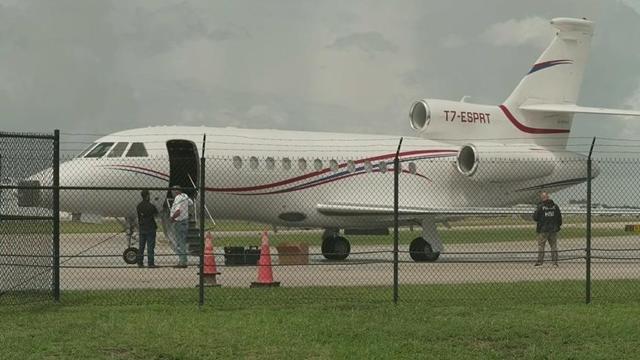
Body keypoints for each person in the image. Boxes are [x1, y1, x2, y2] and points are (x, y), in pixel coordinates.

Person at [532, 191, 562, 267]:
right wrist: (557, 226)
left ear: (542, 198)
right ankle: (554, 262)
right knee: (553, 245)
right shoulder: (555, 206)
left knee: (541, 246)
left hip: (543, 229)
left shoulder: (541, 207)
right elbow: (559, 218)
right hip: (553, 229)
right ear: (548, 197)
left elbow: (535, 217)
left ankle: (540, 261)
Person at [169, 185, 193, 268]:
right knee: (183, 241)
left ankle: (182, 262)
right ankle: (184, 260)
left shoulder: (178, 198)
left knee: (180, 243)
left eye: (173, 191)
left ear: (176, 191)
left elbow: (178, 211)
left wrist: (172, 218)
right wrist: (185, 211)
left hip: (179, 222)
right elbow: (191, 203)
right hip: (185, 221)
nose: (172, 193)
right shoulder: (185, 196)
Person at [136, 189, 159, 268]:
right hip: (150, 227)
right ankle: (150, 263)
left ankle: (140, 262)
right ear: (147, 196)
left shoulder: (139, 206)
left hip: (142, 227)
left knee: (141, 246)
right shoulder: (151, 206)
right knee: (150, 246)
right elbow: (156, 214)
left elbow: (139, 216)